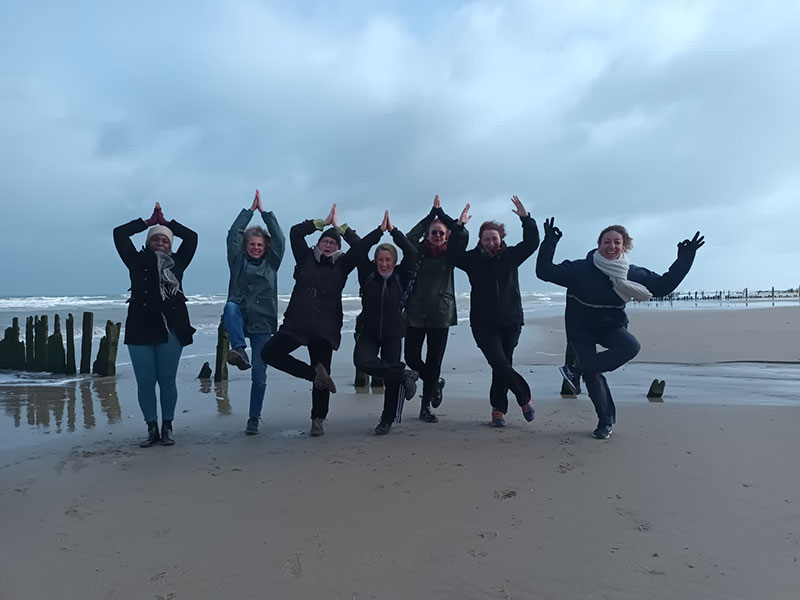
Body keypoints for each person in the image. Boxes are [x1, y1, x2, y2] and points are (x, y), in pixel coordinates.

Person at [536, 219, 704, 439]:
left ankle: (575, 370)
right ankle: (605, 422)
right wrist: (549, 242)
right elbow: (544, 272)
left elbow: (663, 286)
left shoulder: (630, 273)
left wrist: (685, 258)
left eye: (617, 242)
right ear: (599, 244)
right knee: (593, 373)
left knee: (631, 347)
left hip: (611, 326)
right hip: (581, 329)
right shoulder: (579, 269)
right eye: (607, 241)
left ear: (625, 246)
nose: (612, 246)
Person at [261, 204, 360, 437]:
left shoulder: (343, 265)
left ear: (338, 248)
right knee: (269, 354)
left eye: (333, 243)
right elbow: (295, 232)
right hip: (297, 323)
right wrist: (321, 223)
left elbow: (360, 247)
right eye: (325, 241)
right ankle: (313, 374)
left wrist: (341, 228)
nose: (328, 245)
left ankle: (318, 420)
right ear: (319, 243)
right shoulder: (305, 257)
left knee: (324, 369)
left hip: (325, 328)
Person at [113, 202, 197, 447]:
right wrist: (148, 223)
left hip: (172, 327)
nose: (160, 242)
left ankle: (167, 426)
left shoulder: (178, 262)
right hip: (140, 326)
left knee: (167, 379)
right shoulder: (135, 261)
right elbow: (119, 233)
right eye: (155, 239)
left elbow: (192, 237)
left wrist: (168, 224)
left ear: (171, 245)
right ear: (148, 242)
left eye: (165, 240)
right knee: (146, 381)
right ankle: (151, 428)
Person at [453, 196, 539, 427]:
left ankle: (498, 410)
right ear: (480, 240)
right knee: (499, 363)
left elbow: (532, 243)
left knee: (503, 364)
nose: (491, 242)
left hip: (511, 320)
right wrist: (459, 227)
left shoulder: (511, 257)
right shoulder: (472, 260)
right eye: (486, 239)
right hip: (483, 324)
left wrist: (526, 219)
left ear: (501, 239)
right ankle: (524, 396)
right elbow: (453, 253)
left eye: (494, 238)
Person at [222, 189, 285, 435]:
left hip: (263, 323)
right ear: (245, 245)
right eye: (252, 244)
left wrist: (266, 214)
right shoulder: (237, 261)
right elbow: (233, 234)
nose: (256, 248)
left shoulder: (272, 263)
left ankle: (254, 418)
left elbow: (280, 239)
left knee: (259, 376)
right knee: (229, 307)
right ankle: (239, 350)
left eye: (260, 244)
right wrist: (248, 212)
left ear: (265, 246)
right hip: (240, 316)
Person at [403, 195, 470, 423]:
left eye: (441, 233)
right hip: (415, 312)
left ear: (446, 235)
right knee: (411, 357)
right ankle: (435, 382)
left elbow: (462, 237)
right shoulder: (417, 251)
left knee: (434, 361)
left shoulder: (451, 254)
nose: (438, 236)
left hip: (441, 314)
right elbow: (409, 237)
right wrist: (430, 216)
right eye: (434, 232)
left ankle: (425, 408)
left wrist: (444, 217)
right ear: (427, 234)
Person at [352, 211, 420, 435]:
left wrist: (393, 232)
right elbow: (360, 249)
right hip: (368, 332)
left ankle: (387, 419)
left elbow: (412, 252)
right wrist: (378, 232)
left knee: (390, 380)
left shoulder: (402, 275)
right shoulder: (367, 273)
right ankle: (404, 374)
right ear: (375, 260)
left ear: (394, 261)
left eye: (387, 260)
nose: (383, 264)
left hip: (393, 333)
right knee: (362, 361)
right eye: (380, 260)